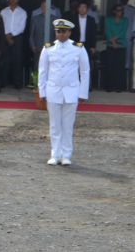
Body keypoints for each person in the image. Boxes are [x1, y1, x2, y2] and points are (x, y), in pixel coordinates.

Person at [38, 19, 90, 166]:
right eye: (58, 31)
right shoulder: (48, 48)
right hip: (53, 90)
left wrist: (83, 93)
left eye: (64, 31)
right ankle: (55, 154)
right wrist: (42, 91)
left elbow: (85, 71)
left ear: (69, 32)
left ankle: (66, 155)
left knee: (67, 125)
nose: (61, 34)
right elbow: (43, 72)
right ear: (56, 32)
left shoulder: (78, 48)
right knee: (54, 125)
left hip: (71, 91)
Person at [0, 0, 27, 89]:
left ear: (18, 0)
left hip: (17, 37)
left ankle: (17, 83)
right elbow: (1, 25)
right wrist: (7, 36)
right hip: (5, 36)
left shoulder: (22, 12)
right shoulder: (3, 11)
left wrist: (11, 35)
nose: (13, 0)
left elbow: (22, 27)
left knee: (17, 60)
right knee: (5, 60)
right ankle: (3, 82)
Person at [105, 4, 128, 92]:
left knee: (120, 67)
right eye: (118, 10)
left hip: (122, 45)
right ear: (114, 11)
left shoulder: (125, 20)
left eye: (121, 10)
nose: (120, 12)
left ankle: (119, 86)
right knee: (110, 66)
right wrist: (113, 42)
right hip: (110, 45)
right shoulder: (109, 20)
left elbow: (123, 32)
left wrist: (113, 39)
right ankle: (109, 86)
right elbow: (108, 31)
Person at [29, 1, 57, 72]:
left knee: (50, 67)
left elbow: (56, 34)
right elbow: (31, 34)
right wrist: (32, 45)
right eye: (44, 7)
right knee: (37, 66)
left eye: (47, 7)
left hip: (51, 47)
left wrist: (55, 45)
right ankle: (37, 82)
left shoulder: (55, 19)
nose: (45, 9)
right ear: (41, 8)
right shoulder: (35, 19)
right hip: (38, 46)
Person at [70, 0, 97, 67]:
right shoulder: (73, 19)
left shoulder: (91, 20)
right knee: (74, 64)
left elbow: (93, 34)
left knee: (85, 64)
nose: (82, 9)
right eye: (80, 7)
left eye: (84, 7)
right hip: (75, 44)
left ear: (87, 9)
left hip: (87, 45)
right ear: (78, 8)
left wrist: (93, 46)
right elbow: (70, 33)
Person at [120, 0, 135, 69]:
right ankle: (120, 66)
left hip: (129, 34)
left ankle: (127, 66)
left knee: (128, 52)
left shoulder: (132, 9)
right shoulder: (118, 8)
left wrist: (133, 34)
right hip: (119, 34)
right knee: (119, 51)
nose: (125, 0)